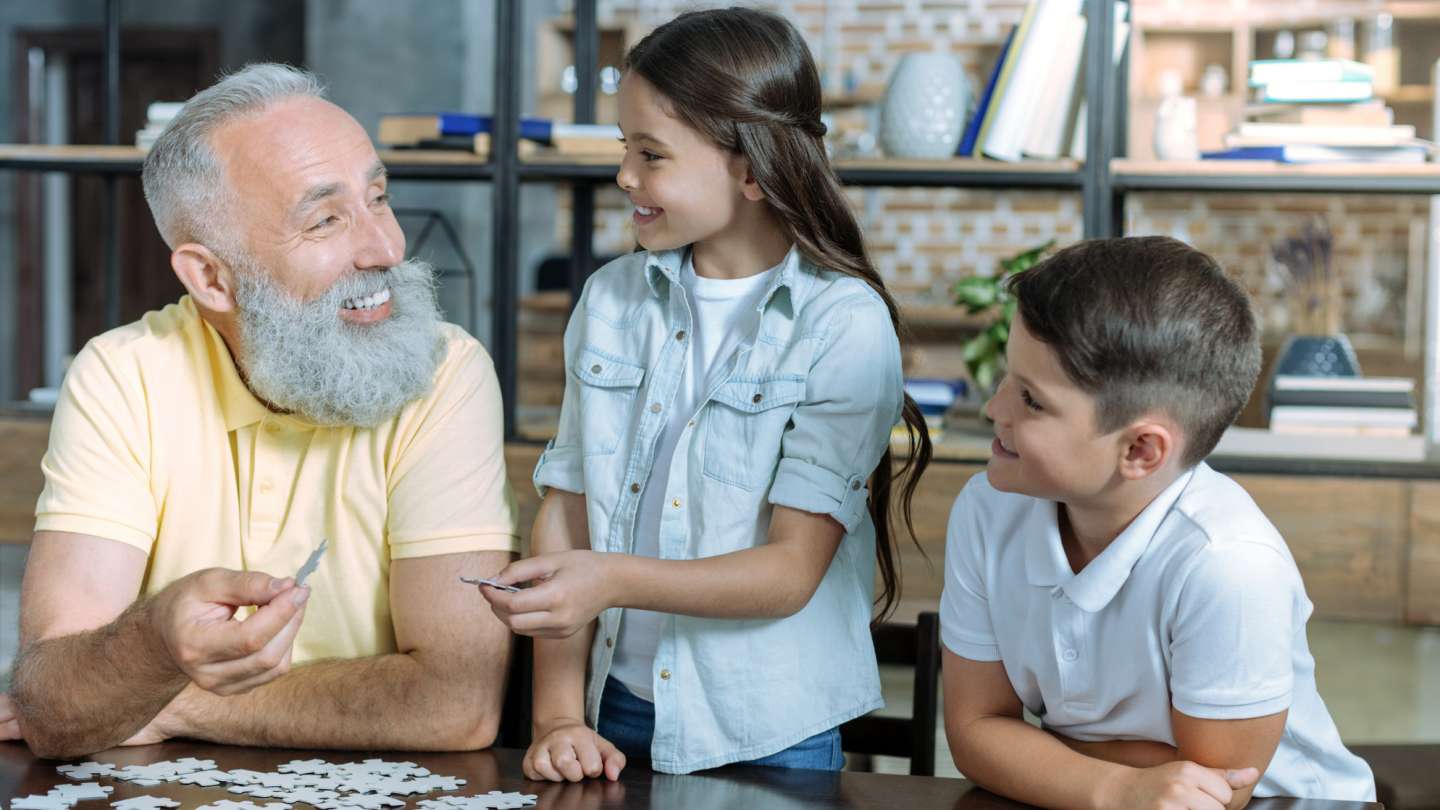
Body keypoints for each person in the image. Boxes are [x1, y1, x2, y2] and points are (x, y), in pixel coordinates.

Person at [3, 63, 519, 758]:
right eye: (325, 220)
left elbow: (454, 706)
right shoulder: (121, 374)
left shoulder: (447, 371)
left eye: (378, 197)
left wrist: (160, 692)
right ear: (212, 278)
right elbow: (54, 704)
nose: (388, 248)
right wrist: (153, 639)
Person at [480, 7, 931, 780]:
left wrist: (610, 578)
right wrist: (556, 716)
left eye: (652, 154)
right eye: (626, 147)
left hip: (768, 730)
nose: (625, 176)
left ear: (752, 169)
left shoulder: (842, 324)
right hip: (610, 708)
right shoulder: (611, 299)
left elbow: (790, 573)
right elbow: (568, 503)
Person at [940, 237, 1376, 808]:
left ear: (1142, 450)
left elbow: (1209, 793)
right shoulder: (988, 508)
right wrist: (1120, 783)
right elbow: (974, 735)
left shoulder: (1229, 564)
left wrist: (1039, 755)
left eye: (1032, 401)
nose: (995, 409)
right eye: (1007, 378)